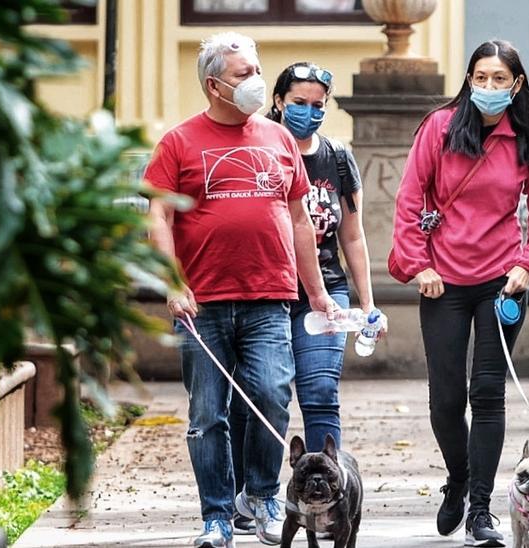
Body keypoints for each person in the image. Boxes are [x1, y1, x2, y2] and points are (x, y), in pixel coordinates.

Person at [144, 32, 339, 548]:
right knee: (208, 415)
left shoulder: (277, 139)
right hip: (202, 304)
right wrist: (172, 282)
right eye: (242, 74)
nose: (255, 81)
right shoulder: (179, 142)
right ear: (213, 85)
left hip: (269, 299)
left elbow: (300, 220)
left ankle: (263, 497)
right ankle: (216, 517)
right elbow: (158, 215)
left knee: (272, 398)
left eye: (256, 70)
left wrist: (316, 294)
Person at [388, 39, 529, 547]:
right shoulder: (439, 128)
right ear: (468, 80)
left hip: (501, 282)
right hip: (441, 280)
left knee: (487, 394)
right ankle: (458, 479)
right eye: (480, 78)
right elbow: (408, 199)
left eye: (499, 79)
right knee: (445, 399)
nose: (488, 87)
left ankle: (480, 511)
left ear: (517, 85)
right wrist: (419, 265)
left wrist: (528, 264)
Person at [227, 61, 386, 536]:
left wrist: (367, 302)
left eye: (318, 106)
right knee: (259, 395)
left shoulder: (337, 158)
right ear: (277, 101)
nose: (309, 113)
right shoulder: (257, 148)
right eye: (299, 103)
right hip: (265, 289)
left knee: (319, 392)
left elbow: (352, 237)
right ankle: (250, 496)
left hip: (326, 295)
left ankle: (324, 498)